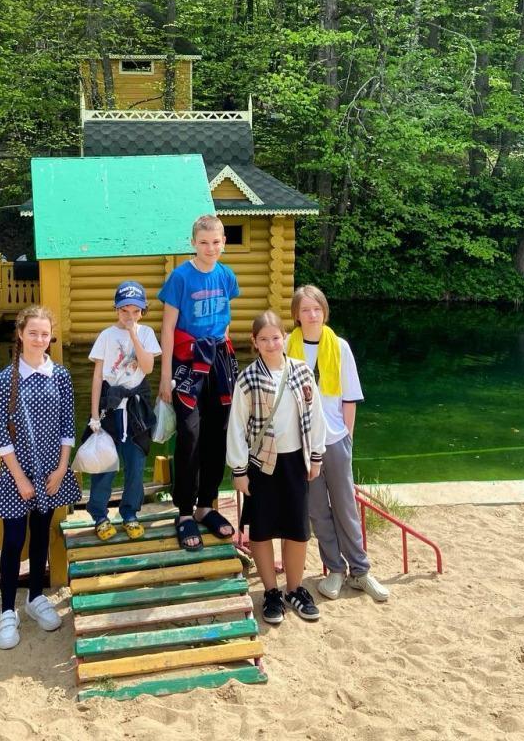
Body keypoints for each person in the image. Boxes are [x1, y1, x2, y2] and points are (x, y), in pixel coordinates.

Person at [288, 285, 389, 603]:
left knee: (345, 506)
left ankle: (360, 571)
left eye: (317, 308)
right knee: (318, 510)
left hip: (335, 438)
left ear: (324, 311)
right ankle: (334, 569)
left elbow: (350, 397)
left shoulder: (339, 346)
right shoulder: (288, 346)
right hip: (302, 442)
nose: (312, 315)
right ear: (296, 315)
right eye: (305, 310)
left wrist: (348, 437)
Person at [0, 305, 81, 650]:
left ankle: (35, 597)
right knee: (14, 539)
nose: (39, 339)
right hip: (18, 473)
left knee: (41, 533)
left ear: (50, 336)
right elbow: (0, 433)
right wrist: (20, 479)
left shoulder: (60, 375)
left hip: (51, 472)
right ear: (20, 334)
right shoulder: (6, 379)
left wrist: (61, 468)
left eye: (45, 334)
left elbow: (68, 425)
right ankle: (6, 610)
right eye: (33, 333)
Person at [228, 310, 325, 624]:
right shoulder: (248, 378)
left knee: (297, 528)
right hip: (261, 463)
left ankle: (295, 588)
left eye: (275, 337)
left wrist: (316, 455)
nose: (271, 344)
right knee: (262, 528)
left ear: (284, 337)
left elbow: (315, 414)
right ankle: (271, 591)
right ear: (254, 342)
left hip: (295, 458)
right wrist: (239, 470)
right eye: (264, 339)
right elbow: (237, 426)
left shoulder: (301, 371)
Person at [158, 214, 240, 551]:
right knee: (190, 434)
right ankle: (184, 511)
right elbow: (167, 328)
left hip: (219, 360)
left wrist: (228, 365)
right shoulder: (180, 277)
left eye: (216, 242)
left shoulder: (226, 276)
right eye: (204, 242)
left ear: (223, 242)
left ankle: (206, 504)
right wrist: (165, 376)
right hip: (188, 364)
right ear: (193, 243)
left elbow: (225, 322)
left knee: (218, 433)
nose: (210, 248)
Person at [86, 281, 161, 541]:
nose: (129, 316)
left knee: (136, 464)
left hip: (136, 408)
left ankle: (130, 513)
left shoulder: (146, 333)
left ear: (143, 311)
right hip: (110, 406)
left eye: (135, 311)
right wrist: (94, 415)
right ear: (116, 309)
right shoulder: (106, 335)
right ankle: (99, 515)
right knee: (105, 464)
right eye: (124, 311)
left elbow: (148, 368)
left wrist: (133, 334)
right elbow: (98, 376)